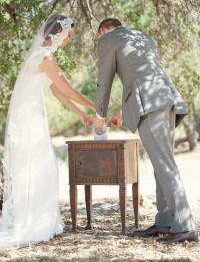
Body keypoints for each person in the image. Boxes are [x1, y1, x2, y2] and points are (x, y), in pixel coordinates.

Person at [94, 18, 198, 243]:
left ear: (102, 31)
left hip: (151, 107)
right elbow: (140, 76)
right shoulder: (142, 37)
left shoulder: (108, 40)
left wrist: (99, 115)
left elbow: (104, 81)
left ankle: (185, 225)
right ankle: (165, 221)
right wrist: (122, 112)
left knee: (165, 165)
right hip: (167, 101)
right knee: (161, 164)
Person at [0, 14, 94, 249]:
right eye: (68, 35)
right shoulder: (45, 58)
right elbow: (67, 89)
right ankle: (34, 223)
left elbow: (56, 92)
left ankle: (35, 218)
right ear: (57, 33)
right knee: (41, 167)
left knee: (36, 168)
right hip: (29, 121)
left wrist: (80, 114)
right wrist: (94, 106)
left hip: (30, 118)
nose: (68, 40)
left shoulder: (40, 56)